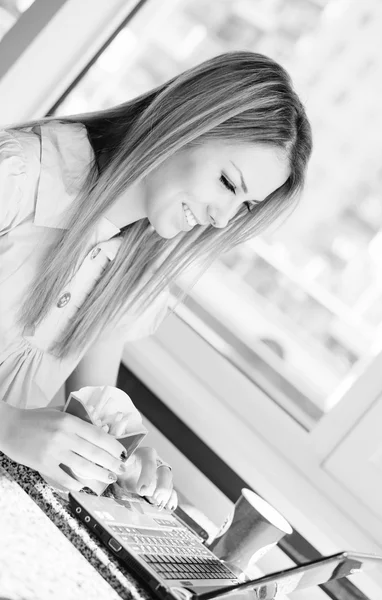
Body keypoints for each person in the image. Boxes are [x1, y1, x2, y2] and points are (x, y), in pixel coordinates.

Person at [0, 51, 312, 505]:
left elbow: (97, 404)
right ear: (183, 125)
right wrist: (8, 427)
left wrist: (128, 457)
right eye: (228, 183)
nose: (222, 220)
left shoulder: (132, 268)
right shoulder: (21, 175)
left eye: (244, 206)